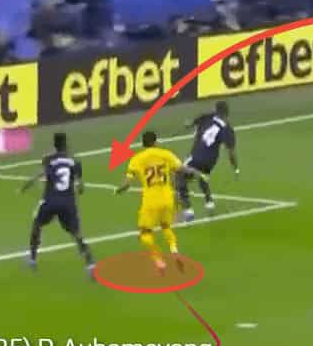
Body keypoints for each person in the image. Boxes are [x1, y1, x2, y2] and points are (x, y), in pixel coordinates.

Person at [114, 130, 198, 273]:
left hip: (151, 201)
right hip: (167, 198)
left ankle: (158, 260)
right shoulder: (166, 154)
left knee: (144, 232)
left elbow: (127, 183)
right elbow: (183, 169)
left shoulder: (137, 159)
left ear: (143, 144)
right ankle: (174, 250)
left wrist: (118, 190)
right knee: (166, 226)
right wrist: (195, 173)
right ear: (155, 142)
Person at [18, 132, 96, 279]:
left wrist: (24, 187)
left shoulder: (48, 159)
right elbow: (80, 188)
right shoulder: (75, 162)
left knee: (37, 225)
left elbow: (38, 175)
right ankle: (90, 264)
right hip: (67, 203)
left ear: (54, 145)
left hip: (50, 201)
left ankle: (32, 259)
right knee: (77, 234)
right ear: (66, 144)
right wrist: (76, 190)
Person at [177, 101, 238, 222]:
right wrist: (236, 168)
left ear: (216, 110)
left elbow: (192, 122)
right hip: (210, 161)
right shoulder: (228, 129)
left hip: (196, 157)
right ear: (227, 113)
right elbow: (231, 152)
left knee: (179, 176)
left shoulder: (208, 117)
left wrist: (189, 124)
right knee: (202, 175)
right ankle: (209, 202)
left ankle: (188, 211)